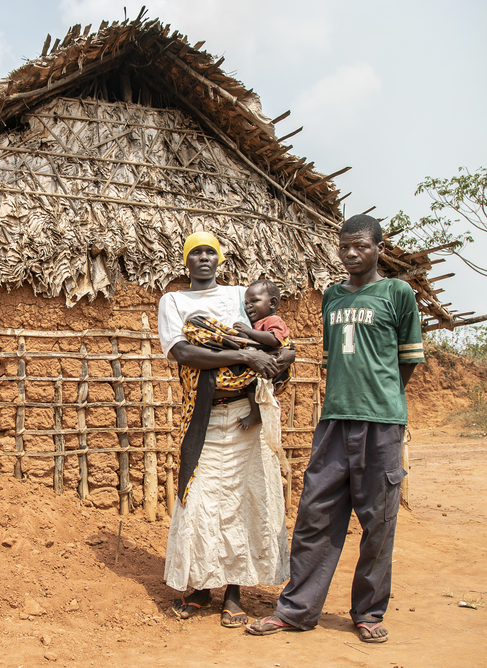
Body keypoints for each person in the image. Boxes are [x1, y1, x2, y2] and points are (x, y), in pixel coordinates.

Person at [247, 214, 425, 644]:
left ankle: (367, 612)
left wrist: (380, 400)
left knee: (378, 522)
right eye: (344, 246)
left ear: (379, 248)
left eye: (360, 246)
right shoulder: (331, 297)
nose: (350, 253)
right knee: (315, 515)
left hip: (381, 424)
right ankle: (296, 610)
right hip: (333, 422)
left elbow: (408, 360)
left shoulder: (398, 293)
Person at [158, 231, 294, 628]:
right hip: (203, 414)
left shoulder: (239, 295)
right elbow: (182, 351)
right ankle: (200, 586)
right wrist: (242, 354)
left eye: (209, 252)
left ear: (219, 259)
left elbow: (275, 340)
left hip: (244, 416)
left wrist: (264, 357)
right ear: (186, 261)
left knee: (241, 501)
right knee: (197, 499)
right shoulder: (175, 301)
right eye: (195, 253)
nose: (203, 258)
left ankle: (233, 592)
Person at [233, 279, 291, 430]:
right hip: (267, 363)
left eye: (255, 301)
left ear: (272, 303)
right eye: (246, 303)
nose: (249, 306)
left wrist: (248, 331)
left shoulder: (273, 320)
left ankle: (256, 413)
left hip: (275, 366)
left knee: (254, 382)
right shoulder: (258, 322)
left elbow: (274, 339)